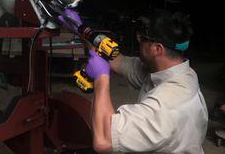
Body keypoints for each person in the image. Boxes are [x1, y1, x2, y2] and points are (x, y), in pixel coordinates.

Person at [83, 9, 208, 153]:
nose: (138, 41)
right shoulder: (179, 71)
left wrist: (101, 77)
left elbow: (103, 141)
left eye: (142, 38)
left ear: (157, 49)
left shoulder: (167, 105)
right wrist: (83, 30)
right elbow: (120, 62)